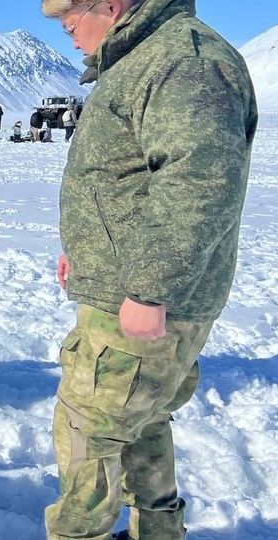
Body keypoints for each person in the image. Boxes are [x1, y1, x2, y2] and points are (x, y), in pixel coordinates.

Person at [41, 1, 257, 539]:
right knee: (140, 425)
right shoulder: (143, 59)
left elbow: (198, 178)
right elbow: (124, 178)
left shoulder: (183, 60)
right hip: (127, 289)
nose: (69, 39)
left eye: (71, 25)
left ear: (109, 7)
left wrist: (149, 286)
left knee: (88, 436)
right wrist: (84, 250)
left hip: (138, 301)